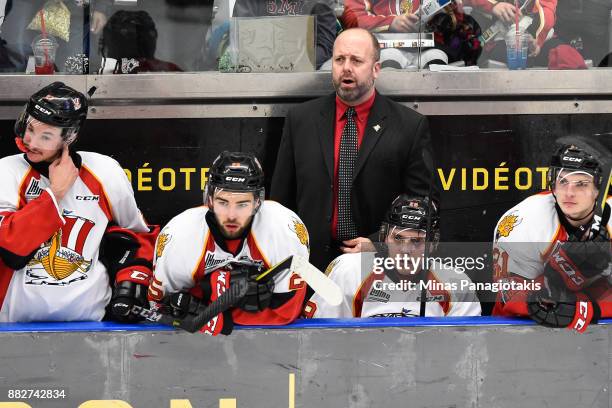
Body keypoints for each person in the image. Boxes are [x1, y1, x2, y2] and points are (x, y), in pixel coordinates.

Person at [270, 28, 436, 272]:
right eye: (339, 59)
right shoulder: (300, 120)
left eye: (356, 60)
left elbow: (423, 206)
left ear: (376, 69)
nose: (346, 67)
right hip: (308, 265)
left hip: (375, 268)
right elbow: (279, 204)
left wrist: (379, 245)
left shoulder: (409, 126)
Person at [0, 82, 158, 322]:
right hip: (12, 326)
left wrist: (131, 281)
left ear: (69, 137)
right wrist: (56, 192)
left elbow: (139, 237)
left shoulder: (104, 171)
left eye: (46, 136)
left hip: (92, 326)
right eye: (30, 128)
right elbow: (10, 250)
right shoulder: (5, 171)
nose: (31, 141)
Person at [148, 151, 310, 335]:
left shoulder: (284, 230)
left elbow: (286, 312)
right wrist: (218, 290)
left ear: (258, 201)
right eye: (223, 202)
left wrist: (209, 298)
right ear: (209, 198)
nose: (232, 215)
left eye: (242, 204)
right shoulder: (180, 236)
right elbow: (158, 310)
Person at [492, 136, 611, 333]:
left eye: (581, 183)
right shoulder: (523, 222)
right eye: (562, 181)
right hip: (521, 334)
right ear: (552, 183)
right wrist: (556, 280)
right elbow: (510, 296)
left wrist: (584, 306)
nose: (569, 192)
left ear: (598, 189)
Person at [304, 195, 481, 318]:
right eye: (398, 238)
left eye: (416, 241)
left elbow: (465, 351)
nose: (405, 250)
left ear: (433, 244)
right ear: (384, 238)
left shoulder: (455, 284)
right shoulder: (348, 272)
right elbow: (321, 338)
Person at [232, 0, 336, 69]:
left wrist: (296, 64)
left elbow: (325, 43)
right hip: (259, 66)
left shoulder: (321, 1)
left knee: (330, 68)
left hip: (307, 69)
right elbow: (242, 37)